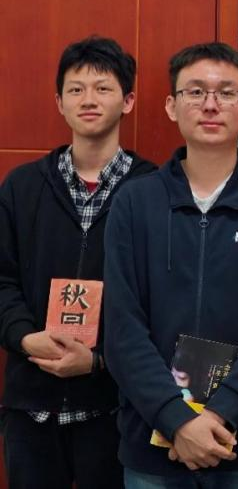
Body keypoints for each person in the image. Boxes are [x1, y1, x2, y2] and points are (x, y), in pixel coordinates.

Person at [103, 43, 238, 488]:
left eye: (227, 93)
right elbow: (122, 327)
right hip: (153, 444)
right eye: (195, 92)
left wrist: (221, 414)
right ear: (171, 106)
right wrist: (176, 419)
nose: (211, 105)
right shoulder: (135, 202)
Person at [0, 36, 156, 488]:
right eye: (75, 89)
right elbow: (2, 279)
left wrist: (100, 359)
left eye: (103, 88)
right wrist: (25, 338)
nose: (89, 100)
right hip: (31, 408)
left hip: (116, 409)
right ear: (59, 102)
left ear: (128, 100)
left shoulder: (154, 190)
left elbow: (163, 299)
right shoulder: (22, 187)